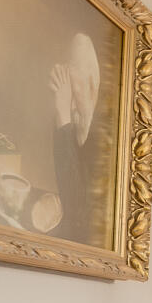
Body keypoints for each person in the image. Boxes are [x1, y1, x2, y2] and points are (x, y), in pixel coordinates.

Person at [48, 32, 102, 244]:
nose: (67, 92)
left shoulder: (103, 136)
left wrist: (62, 113)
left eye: (73, 82)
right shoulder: (74, 120)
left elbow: (76, 209)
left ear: (92, 84)